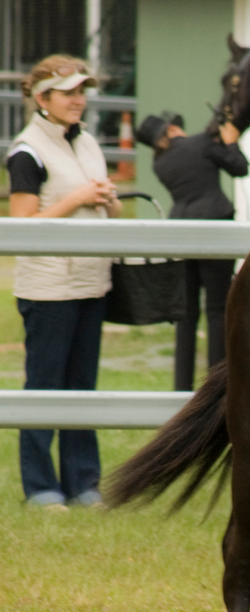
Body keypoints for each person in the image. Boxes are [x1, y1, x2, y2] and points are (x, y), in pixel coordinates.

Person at [5, 54, 122, 511]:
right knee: (45, 387)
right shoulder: (26, 151)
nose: (79, 100)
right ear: (43, 99)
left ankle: (83, 482)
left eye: (81, 91)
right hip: (49, 290)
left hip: (92, 284)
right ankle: (40, 486)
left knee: (82, 388)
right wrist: (77, 198)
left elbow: (100, 202)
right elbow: (20, 222)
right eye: (69, 92)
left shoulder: (87, 141)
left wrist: (107, 200)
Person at [134, 110, 248, 391]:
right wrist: (230, 141)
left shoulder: (159, 164)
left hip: (180, 232)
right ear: (171, 129)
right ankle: (215, 386)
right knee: (217, 309)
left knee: (186, 314)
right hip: (215, 227)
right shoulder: (201, 143)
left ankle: (181, 386)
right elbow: (239, 167)